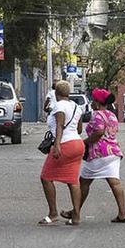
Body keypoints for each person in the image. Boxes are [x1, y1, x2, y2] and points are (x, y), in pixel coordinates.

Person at [61, 88, 125, 223]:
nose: (91, 102)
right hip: (113, 152)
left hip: (98, 153)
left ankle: (75, 212)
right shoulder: (112, 114)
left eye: (93, 100)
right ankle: (122, 213)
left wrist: (84, 142)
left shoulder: (97, 114)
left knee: (84, 182)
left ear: (97, 103)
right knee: (115, 182)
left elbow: (98, 133)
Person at [39, 80, 85, 225]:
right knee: (73, 181)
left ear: (56, 93)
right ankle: (76, 216)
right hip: (78, 144)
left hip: (64, 144)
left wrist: (57, 145)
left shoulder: (59, 105)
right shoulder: (77, 107)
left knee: (46, 177)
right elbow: (79, 130)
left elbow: (60, 124)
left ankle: (53, 213)